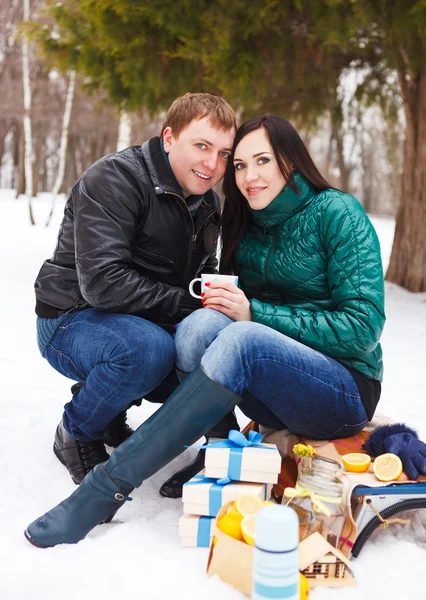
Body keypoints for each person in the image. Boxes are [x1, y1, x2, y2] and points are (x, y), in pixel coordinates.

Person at [25, 114, 386, 548]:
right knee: (200, 327)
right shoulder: (244, 222)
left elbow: (362, 327)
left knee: (241, 337)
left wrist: (256, 315)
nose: (248, 176)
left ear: (290, 162)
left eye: (262, 161)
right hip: (271, 389)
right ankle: (217, 450)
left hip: (341, 390)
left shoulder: (337, 212)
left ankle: (102, 492)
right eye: (239, 165)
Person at [33, 93, 237, 485]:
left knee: (213, 347)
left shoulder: (208, 202)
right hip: (70, 317)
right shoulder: (115, 179)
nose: (213, 164)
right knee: (149, 350)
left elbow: (203, 270)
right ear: (169, 138)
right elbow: (102, 283)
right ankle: (76, 433)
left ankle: (109, 410)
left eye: (224, 153)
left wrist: (213, 305)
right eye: (202, 146)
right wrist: (188, 305)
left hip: (140, 320)